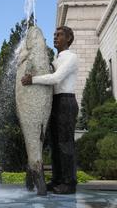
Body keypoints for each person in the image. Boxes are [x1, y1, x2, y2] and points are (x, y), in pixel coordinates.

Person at [21, 26, 79, 194]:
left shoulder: (71, 57)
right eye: (54, 35)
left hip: (66, 101)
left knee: (65, 144)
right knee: (55, 145)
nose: (55, 37)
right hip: (54, 103)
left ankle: (69, 184)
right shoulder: (56, 59)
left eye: (59, 35)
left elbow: (56, 78)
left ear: (68, 38)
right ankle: (57, 180)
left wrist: (33, 80)